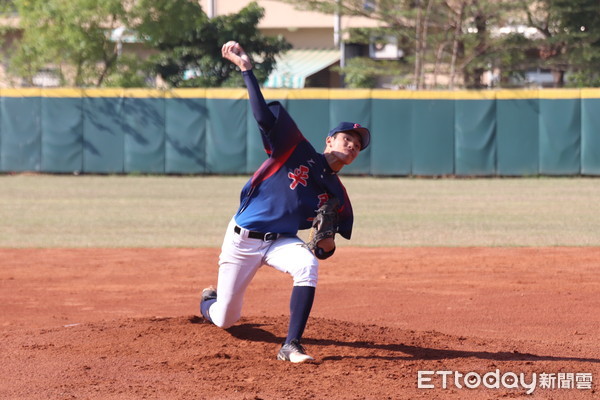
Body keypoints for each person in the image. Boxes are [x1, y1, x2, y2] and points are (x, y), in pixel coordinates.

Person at [200, 41, 371, 363]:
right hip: (243, 240)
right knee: (226, 318)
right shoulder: (295, 148)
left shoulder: (337, 195)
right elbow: (263, 116)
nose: (351, 146)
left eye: (357, 146)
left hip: (282, 242)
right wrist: (246, 69)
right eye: (347, 139)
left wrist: (325, 242)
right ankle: (208, 301)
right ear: (329, 140)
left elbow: (324, 251)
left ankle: (291, 344)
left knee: (307, 265)